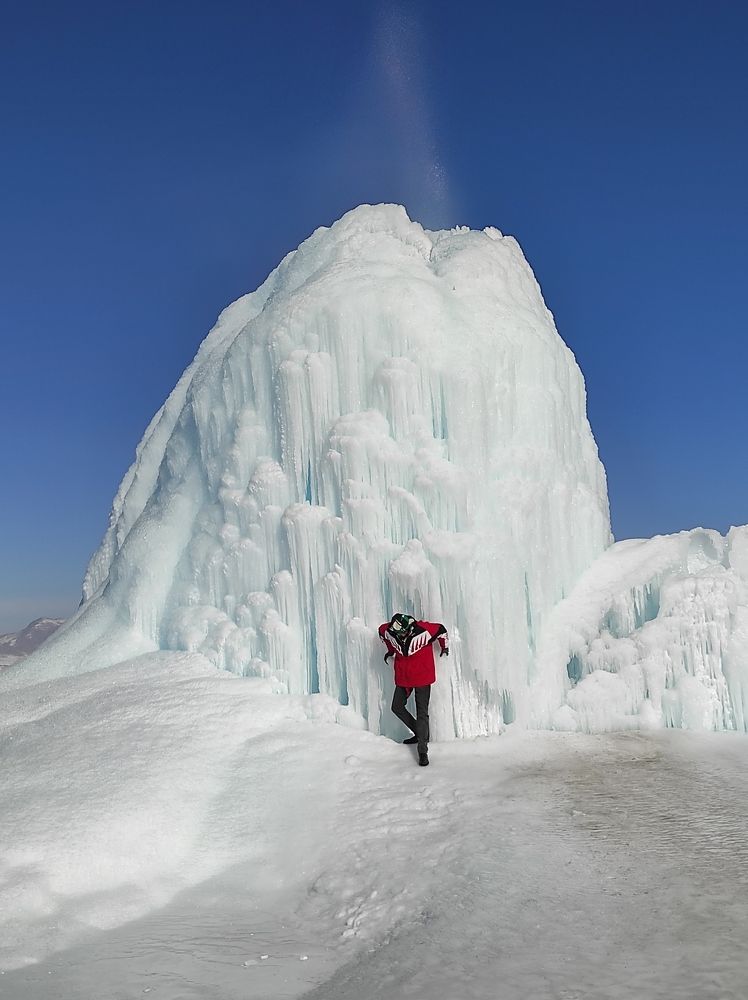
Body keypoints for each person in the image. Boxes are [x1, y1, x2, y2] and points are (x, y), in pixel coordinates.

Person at [378, 613, 449, 766]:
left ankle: (422, 751)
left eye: (403, 632)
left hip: (423, 677)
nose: (400, 635)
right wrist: (391, 650)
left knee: (422, 712)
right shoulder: (390, 631)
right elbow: (382, 632)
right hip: (404, 677)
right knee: (396, 706)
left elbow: (441, 630)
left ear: (409, 628)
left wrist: (445, 647)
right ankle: (420, 732)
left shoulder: (424, 630)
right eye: (398, 632)